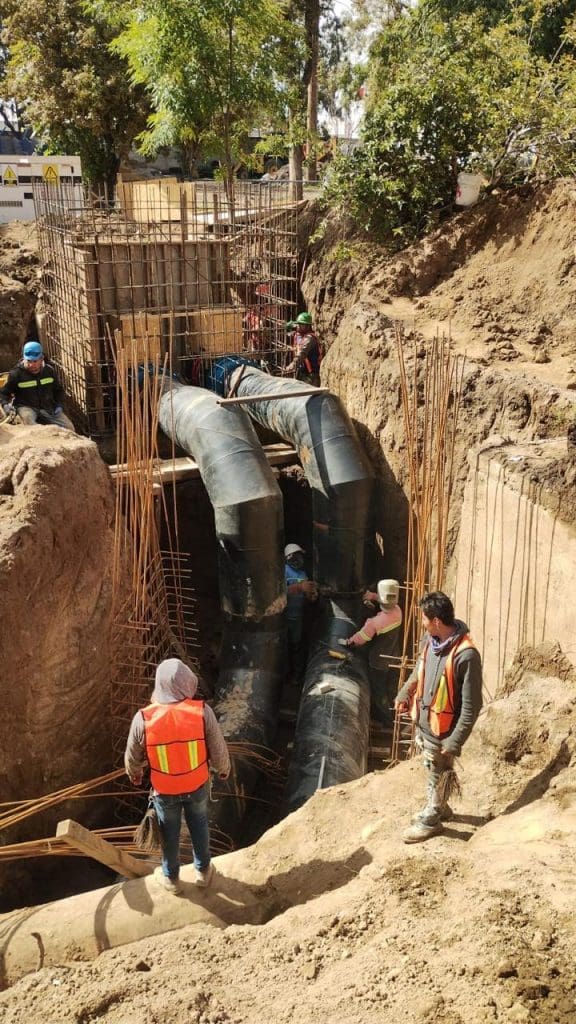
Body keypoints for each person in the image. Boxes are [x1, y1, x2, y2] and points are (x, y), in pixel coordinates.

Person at [124, 658, 230, 894]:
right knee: (199, 825)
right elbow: (218, 747)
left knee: (169, 833)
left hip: (165, 791)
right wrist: (223, 768)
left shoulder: (143, 719)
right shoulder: (202, 712)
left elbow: (132, 755)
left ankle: (171, 878)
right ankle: (203, 872)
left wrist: (135, 774)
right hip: (197, 786)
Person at [395, 592, 483, 844]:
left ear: (435, 620)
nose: (421, 622)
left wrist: (455, 741)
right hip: (427, 723)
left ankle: (432, 819)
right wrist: (405, 692)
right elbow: (419, 669)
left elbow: (472, 705)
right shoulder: (430, 640)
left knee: (438, 770)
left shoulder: (466, 655)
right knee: (432, 767)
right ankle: (441, 807)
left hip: (444, 730)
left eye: (423, 618)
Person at [341, 579, 403, 724]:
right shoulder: (398, 611)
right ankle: (397, 712)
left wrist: (348, 642)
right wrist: (373, 596)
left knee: (378, 691)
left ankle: (387, 721)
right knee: (392, 688)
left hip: (379, 662)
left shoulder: (375, 622)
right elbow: (388, 601)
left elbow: (360, 639)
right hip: (395, 657)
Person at [0, 340, 75, 431]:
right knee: (29, 422)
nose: (32, 365)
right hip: (26, 407)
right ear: (24, 358)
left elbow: (58, 391)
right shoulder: (16, 374)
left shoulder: (49, 371)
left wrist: (59, 405)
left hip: (48, 407)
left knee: (69, 428)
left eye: (35, 361)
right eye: (29, 361)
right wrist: (5, 405)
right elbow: (4, 393)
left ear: (41, 359)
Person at [284, 542, 318, 682]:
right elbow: (278, 592)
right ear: (288, 557)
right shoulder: (283, 571)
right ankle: (290, 675)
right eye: (295, 556)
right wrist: (299, 587)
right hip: (286, 617)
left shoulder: (303, 573)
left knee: (299, 645)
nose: (299, 559)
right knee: (289, 646)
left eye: (300, 556)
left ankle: (298, 674)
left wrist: (312, 595)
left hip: (300, 616)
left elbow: (308, 592)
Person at [283, 312, 322, 387]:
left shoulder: (310, 339)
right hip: (302, 372)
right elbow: (289, 331)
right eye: (298, 324)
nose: (298, 326)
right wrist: (286, 325)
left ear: (308, 326)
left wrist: (292, 366)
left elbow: (302, 354)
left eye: (301, 325)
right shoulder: (299, 334)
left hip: (311, 375)